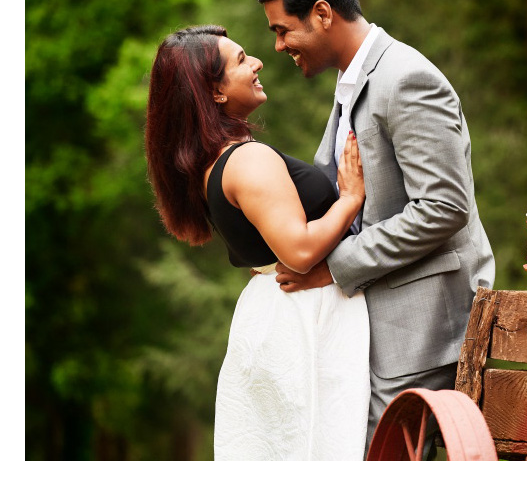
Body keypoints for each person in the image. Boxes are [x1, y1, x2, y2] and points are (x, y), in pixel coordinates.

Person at [254, 0, 496, 456]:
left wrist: (334, 265)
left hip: (425, 329)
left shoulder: (406, 78)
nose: (278, 46)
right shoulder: (354, 80)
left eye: (282, 29)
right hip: (380, 322)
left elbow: (444, 208)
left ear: (322, 14)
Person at [144, 25, 370, 460]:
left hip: (274, 311)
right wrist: (351, 199)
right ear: (215, 93)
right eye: (242, 60)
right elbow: (301, 252)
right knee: (318, 448)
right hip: (302, 316)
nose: (258, 62)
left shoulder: (214, 164)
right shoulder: (247, 160)